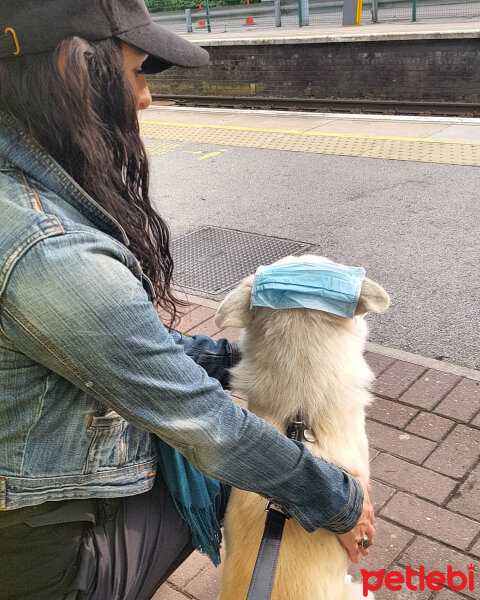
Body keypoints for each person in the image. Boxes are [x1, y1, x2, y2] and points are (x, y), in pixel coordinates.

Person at [0, 2, 375, 599]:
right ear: (74, 74)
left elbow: (133, 346)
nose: (145, 98)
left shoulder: (25, 188)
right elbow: (207, 427)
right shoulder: (50, 251)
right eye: (137, 72)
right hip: (43, 558)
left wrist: (242, 363)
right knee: (249, 453)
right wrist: (339, 502)